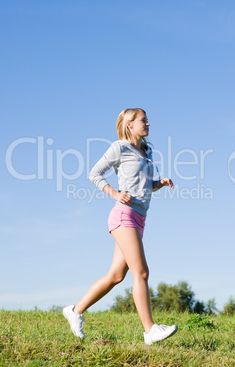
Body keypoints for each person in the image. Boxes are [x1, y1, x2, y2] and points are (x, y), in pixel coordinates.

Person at [63, 108, 178, 345]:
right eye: (143, 120)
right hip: (124, 215)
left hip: (140, 218)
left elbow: (141, 184)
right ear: (129, 124)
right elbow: (94, 174)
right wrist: (115, 193)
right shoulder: (120, 147)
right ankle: (150, 330)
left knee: (116, 276)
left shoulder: (148, 150)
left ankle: (75, 311)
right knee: (142, 272)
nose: (148, 123)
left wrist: (159, 183)